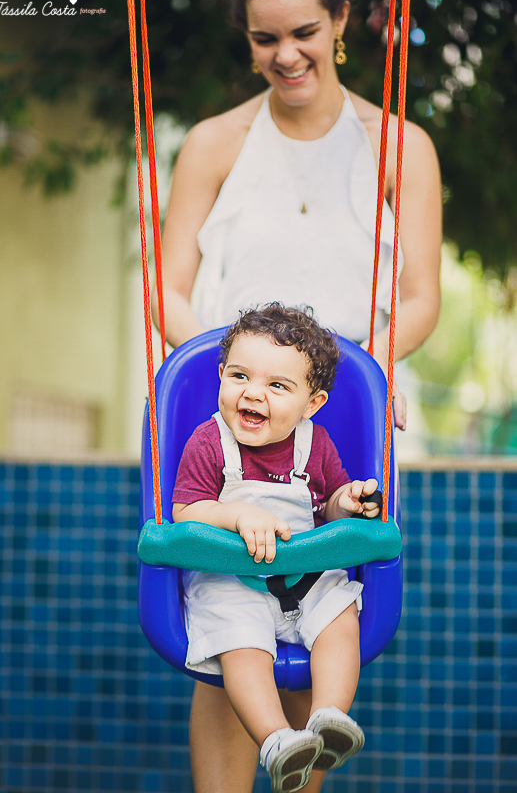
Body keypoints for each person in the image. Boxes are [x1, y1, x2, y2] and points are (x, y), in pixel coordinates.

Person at [153, 0, 442, 789]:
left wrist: (362, 375)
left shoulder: (399, 146)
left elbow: (419, 295)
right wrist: (217, 380)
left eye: (305, 33)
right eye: (265, 39)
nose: (286, 55)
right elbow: (169, 288)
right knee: (226, 611)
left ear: (344, 20)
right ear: (245, 41)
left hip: (339, 407)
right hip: (231, 409)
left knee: (321, 600)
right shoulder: (215, 143)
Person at [172, 304, 381, 793]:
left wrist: (346, 502)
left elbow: (326, 507)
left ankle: (328, 718)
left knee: (341, 614)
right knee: (240, 644)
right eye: (240, 376)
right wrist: (237, 515)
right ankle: (274, 740)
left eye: (277, 386)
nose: (253, 393)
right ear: (220, 375)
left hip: (304, 580)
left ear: (313, 402)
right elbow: (187, 512)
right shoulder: (210, 443)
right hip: (233, 582)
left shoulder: (317, 443)